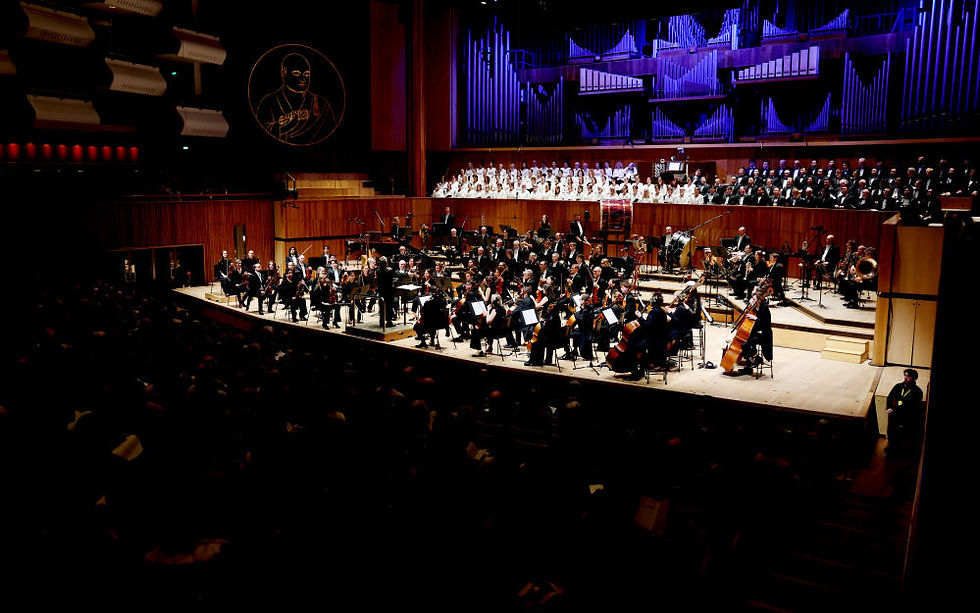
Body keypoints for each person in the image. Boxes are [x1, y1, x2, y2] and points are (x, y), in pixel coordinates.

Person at [885, 368, 923, 456]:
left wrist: (898, 406)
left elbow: (912, 405)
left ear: (914, 378)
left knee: (902, 434)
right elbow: (890, 397)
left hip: (906, 417)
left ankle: (899, 452)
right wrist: (889, 408)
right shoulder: (898, 386)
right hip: (894, 415)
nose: (905, 378)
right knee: (891, 432)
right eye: (905, 375)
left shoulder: (917, 391)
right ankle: (891, 448)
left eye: (908, 376)